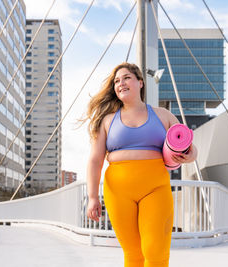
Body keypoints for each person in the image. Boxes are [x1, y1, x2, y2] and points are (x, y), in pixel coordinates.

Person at [84, 62, 197, 267]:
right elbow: (95, 160)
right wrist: (92, 197)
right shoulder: (107, 120)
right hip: (118, 192)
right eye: (117, 81)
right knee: (133, 253)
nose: (121, 83)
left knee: (155, 251)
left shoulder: (163, 115)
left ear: (140, 82)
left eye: (126, 77)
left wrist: (189, 155)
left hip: (155, 188)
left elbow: (188, 144)